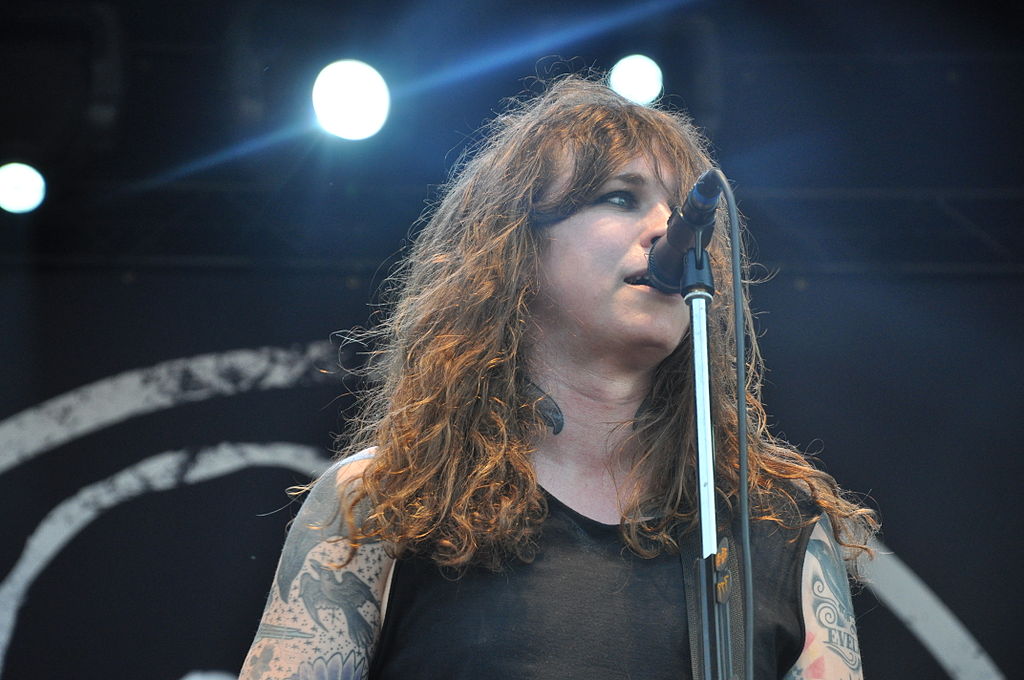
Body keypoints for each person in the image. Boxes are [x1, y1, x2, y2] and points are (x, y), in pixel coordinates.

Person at [239, 74, 878, 680]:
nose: (668, 229)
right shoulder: (385, 501)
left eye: (682, 209)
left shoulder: (778, 523)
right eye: (621, 198)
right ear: (518, 250)